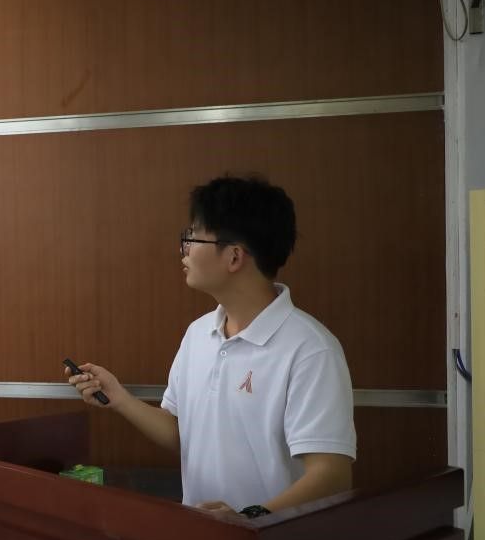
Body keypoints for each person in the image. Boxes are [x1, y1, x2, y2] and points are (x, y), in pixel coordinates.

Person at [67, 175, 355, 520]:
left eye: (193, 237)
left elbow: (332, 475)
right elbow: (182, 435)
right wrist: (120, 398)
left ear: (234, 257)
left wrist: (248, 518)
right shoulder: (198, 334)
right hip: (199, 537)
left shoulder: (311, 350)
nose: (184, 250)